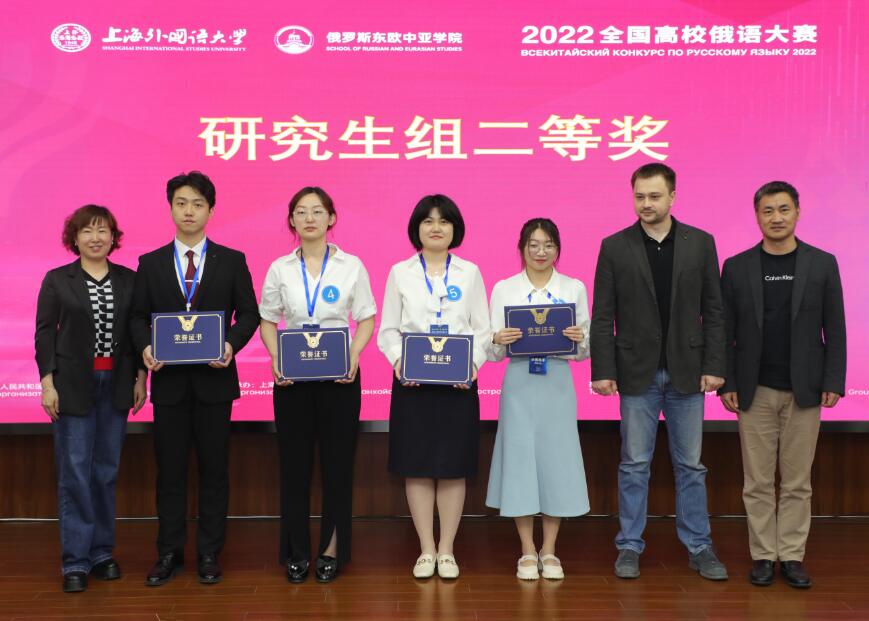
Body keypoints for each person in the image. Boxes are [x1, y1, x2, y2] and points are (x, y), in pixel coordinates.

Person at [590, 162, 728, 581]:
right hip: (637, 374)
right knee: (634, 464)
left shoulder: (700, 243)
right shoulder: (615, 246)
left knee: (691, 467)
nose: (646, 204)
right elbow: (603, 315)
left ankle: (700, 546)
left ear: (672, 197)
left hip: (689, 371)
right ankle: (629, 546)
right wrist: (603, 369)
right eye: (639, 196)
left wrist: (715, 365)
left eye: (654, 196)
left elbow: (714, 311)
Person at [130, 171, 259, 586]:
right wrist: (145, 347)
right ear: (171, 208)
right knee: (169, 471)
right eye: (182, 203)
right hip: (168, 384)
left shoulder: (232, 260)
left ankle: (208, 552)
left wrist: (231, 344)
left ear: (211, 211)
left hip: (214, 383)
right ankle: (168, 551)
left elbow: (250, 314)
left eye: (198, 204)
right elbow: (137, 317)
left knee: (214, 470)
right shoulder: (150, 263)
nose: (189, 211)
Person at [719, 181, 846, 589]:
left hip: (805, 390)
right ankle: (762, 555)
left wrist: (834, 379)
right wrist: (727, 381)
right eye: (768, 211)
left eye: (783, 209)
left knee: (797, 482)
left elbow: (835, 328)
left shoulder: (822, 264)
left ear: (797, 212)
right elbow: (725, 331)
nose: (776, 217)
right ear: (757, 216)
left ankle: (791, 555)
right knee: (757, 481)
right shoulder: (736, 267)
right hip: (753, 390)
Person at [259, 187, 376, 583]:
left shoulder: (351, 265)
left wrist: (354, 354)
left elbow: (366, 318)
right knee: (294, 466)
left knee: (337, 466)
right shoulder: (280, 268)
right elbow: (268, 320)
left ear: (331, 218)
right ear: (292, 220)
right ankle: (296, 550)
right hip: (293, 379)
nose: (309, 218)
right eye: (301, 212)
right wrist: (276, 357)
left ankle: (331, 549)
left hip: (340, 378)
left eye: (317, 211)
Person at [377, 194, 491, 580]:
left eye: (444, 221)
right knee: (418, 465)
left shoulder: (470, 273)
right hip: (412, 384)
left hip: (458, 384)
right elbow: (389, 330)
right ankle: (426, 548)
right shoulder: (400, 272)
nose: (436, 227)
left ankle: (447, 549)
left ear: (455, 228)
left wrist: (471, 366)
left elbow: (482, 329)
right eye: (428, 221)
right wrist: (400, 362)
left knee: (454, 466)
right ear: (417, 229)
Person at [35, 205, 147, 592]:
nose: (95, 238)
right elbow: (44, 333)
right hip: (72, 386)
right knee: (75, 472)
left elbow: (137, 334)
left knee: (105, 471)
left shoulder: (129, 280)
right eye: (87, 231)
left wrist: (141, 377)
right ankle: (75, 561)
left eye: (103, 231)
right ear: (75, 238)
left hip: (116, 384)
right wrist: (47, 384)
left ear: (114, 238)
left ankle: (101, 553)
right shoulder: (57, 280)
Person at [486, 218, 590, 580]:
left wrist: (579, 339)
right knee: (519, 462)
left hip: (557, 384)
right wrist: (497, 339)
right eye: (533, 244)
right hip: (518, 383)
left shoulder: (573, 288)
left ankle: (550, 549)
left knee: (555, 461)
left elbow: (585, 349)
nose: (541, 252)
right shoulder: (504, 289)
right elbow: (492, 351)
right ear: (522, 248)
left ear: (557, 249)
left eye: (548, 245)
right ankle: (527, 549)